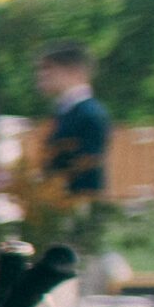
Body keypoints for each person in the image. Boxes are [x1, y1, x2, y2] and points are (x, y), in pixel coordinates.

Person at [36, 41, 113, 195]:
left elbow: (86, 169)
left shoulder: (90, 113)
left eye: (48, 68)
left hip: (77, 205)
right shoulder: (64, 111)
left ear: (74, 71)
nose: (41, 74)